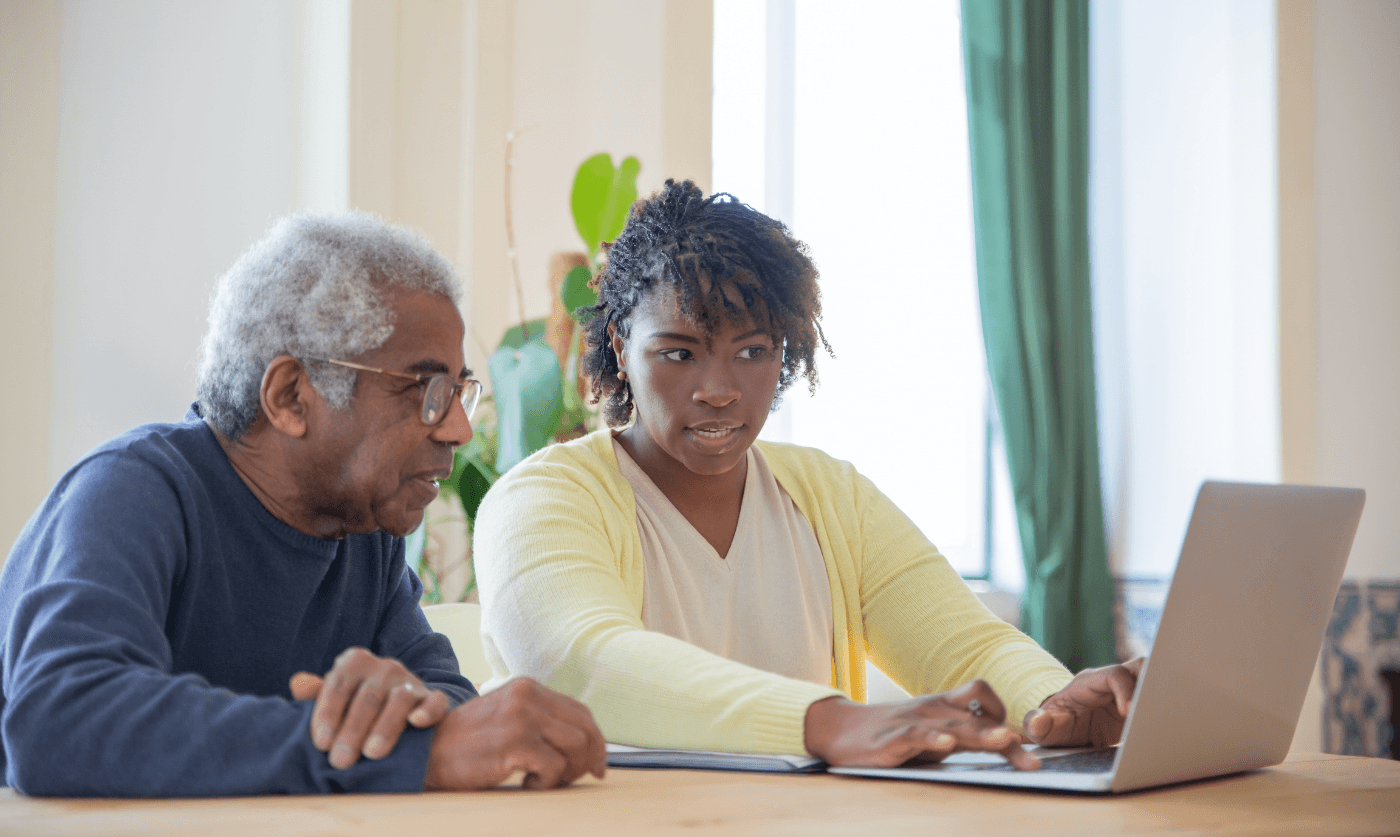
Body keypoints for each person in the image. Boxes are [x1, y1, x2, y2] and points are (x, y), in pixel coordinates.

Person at [474, 180, 1143, 768]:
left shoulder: (832, 498)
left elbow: (965, 647)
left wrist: (1054, 705)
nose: (719, 389)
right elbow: (581, 663)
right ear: (620, 348)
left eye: (752, 351)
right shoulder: (542, 500)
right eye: (678, 353)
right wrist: (829, 722)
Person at [0, 212, 606, 796]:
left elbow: (443, 694)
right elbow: (60, 718)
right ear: (291, 396)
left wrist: (407, 717)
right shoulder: (132, 492)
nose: (457, 430)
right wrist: (400, 752)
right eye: (425, 391)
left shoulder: (362, 531)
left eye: (458, 392)